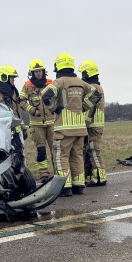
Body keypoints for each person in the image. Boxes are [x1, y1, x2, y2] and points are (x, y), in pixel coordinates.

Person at [40, 53, 95, 197]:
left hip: (63, 129)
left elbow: (45, 94)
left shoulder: (60, 82)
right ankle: (79, 185)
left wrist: (53, 108)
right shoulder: (81, 82)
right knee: (77, 156)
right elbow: (96, 94)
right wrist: (83, 107)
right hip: (80, 128)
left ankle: (65, 187)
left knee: (61, 156)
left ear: (58, 66)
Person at [19, 59, 55, 182]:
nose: (38, 73)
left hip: (51, 123)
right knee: (41, 151)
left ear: (44, 71)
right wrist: (32, 110)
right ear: (32, 73)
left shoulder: (50, 83)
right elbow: (21, 101)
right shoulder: (27, 86)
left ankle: (58, 172)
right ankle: (44, 174)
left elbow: (58, 97)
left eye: (40, 71)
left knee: (55, 149)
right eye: (36, 71)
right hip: (36, 124)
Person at [79, 60, 107, 187]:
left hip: (93, 125)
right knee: (90, 151)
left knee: (94, 151)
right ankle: (91, 176)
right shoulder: (97, 87)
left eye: (83, 73)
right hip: (95, 125)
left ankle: (100, 178)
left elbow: (90, 107)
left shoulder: (93, 88)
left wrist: (84, 121)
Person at [0, 65, 27, 137]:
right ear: (4, 77)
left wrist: (23, 128)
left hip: (16, 130)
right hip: (2, 131)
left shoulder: (14, 92)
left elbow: (17, 112)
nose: (13, 79)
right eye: (11, 77)